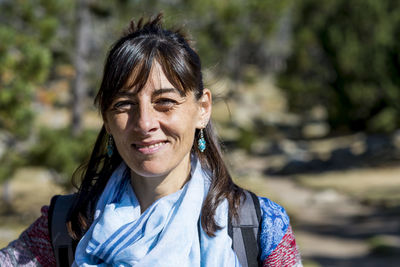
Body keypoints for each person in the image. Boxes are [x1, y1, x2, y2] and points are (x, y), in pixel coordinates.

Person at [0, 14, 301, 266]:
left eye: (165, 102)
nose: (144, 123)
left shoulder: (258, 228)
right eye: (124, 105)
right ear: (106, 119)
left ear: (202, 109)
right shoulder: (65, 227)